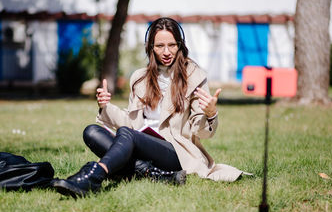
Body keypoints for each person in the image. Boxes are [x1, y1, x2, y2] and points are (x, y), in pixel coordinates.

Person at [54, 17, 247, 198]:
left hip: (175, 152)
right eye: (160, 46)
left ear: (180, 45)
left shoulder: (194, 76)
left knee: (127, 134)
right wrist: (105, 106)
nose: (166, 52)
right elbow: (131, 121)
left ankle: (94, 176)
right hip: (140, 142)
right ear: (151, 48)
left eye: (172, 45)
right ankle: (152, 173)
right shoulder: (140, 78)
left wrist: (210, 113)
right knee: (92, 131)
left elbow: (202, 132)